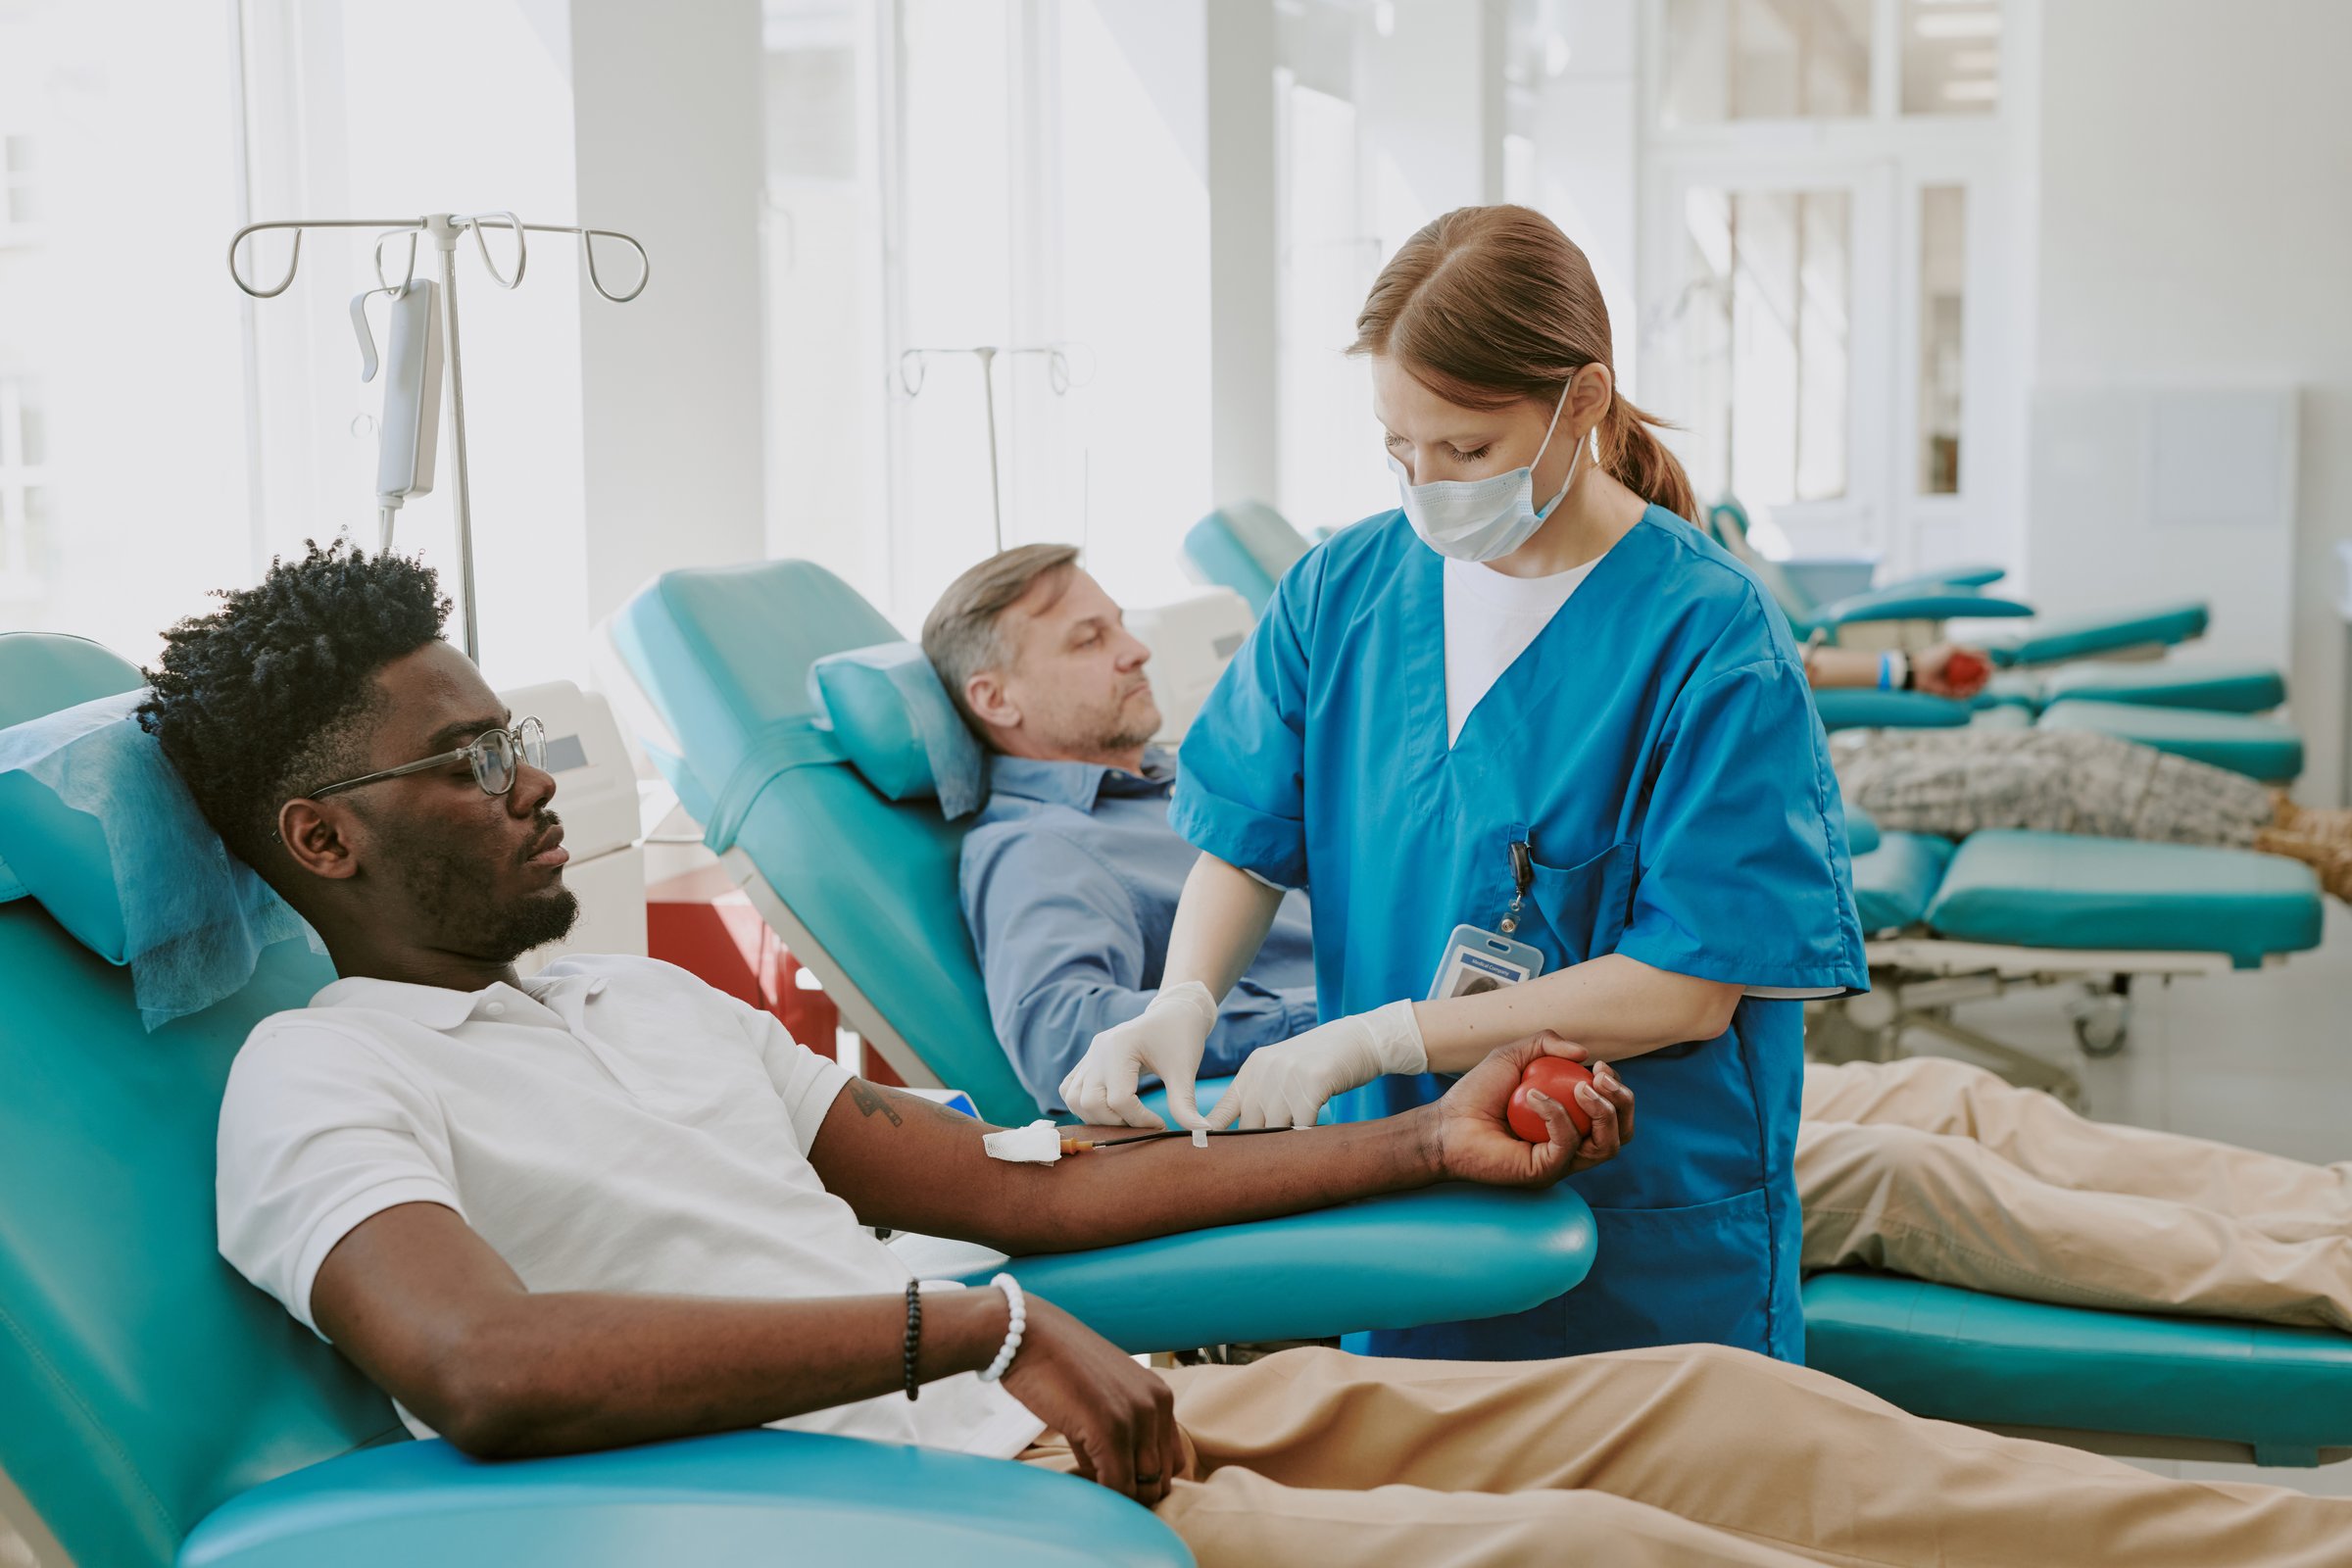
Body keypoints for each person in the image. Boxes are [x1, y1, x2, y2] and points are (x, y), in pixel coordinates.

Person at [144, 546, 2352, 1568]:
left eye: (518, 734)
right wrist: (972, 1328)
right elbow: (488, 1364)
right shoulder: (319, 1078)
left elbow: (1027, 1185)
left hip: (1075, 1395)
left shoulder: (634, 991)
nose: (539, 780)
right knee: (1601, 1548)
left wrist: (1428, 1146)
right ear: (322, 834)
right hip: (923, 1492)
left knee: (1712, 1410)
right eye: (467, 762)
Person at [931, 546, 2352, 1335]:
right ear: (994, 697)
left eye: (1123, 624)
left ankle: (2323, 1206)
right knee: (1911, 1170)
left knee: (1955, 1093)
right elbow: (1078, 1054)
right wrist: (1296, 1041)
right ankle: (2320, 1278)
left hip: (1487, 1044)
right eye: (1085, 641)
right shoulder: (1039, 846)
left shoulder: (1171, 781)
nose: (1131, 651)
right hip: (1427, 1106)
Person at [1057, 204, 1867, 1363]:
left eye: (1468, 452)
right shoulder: (1344, 590)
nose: (1427, 488)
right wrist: (1182, 997)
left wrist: (1381, 1038)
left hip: (1634, 1216)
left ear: (1580, 401)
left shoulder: (1708, 634)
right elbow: (1243, 843)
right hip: (1395, 1185)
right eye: (1400, 452)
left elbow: (1687, 988)